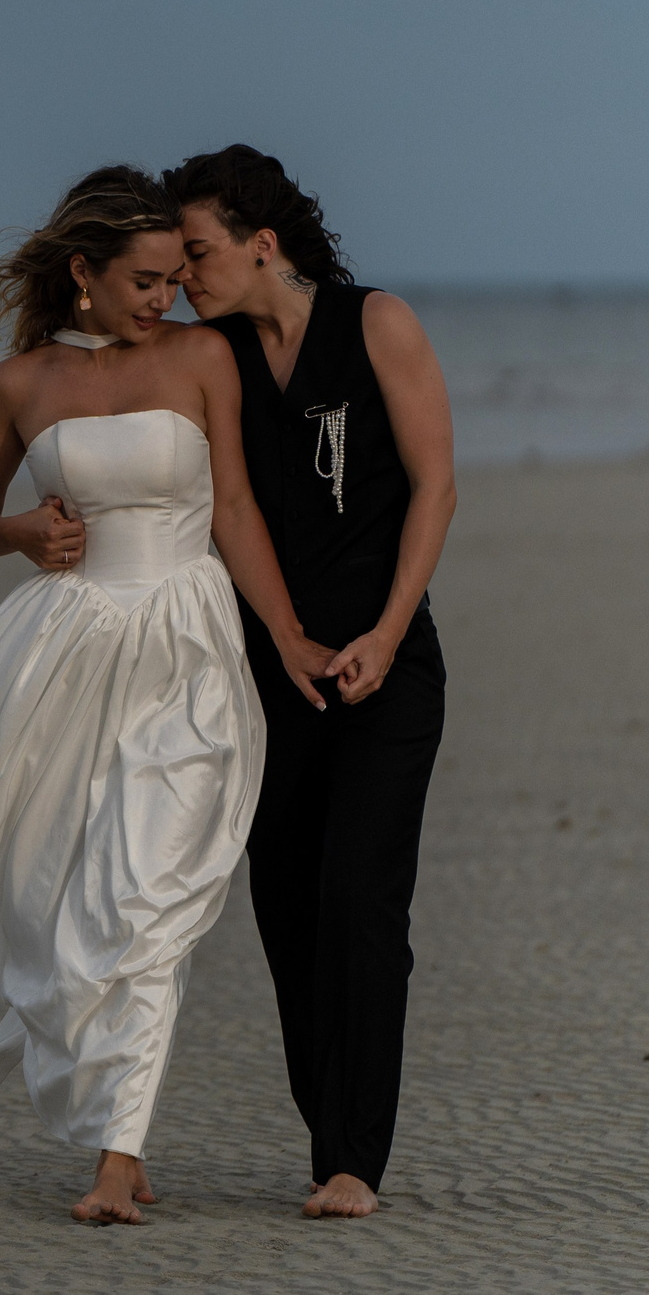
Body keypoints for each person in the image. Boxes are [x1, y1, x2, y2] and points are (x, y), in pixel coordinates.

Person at [0, 166, 333, 1226]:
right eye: (142, 279)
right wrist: (16, 533)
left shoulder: (200, 356)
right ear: (83, 273)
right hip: (67, 646)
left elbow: (231, 504)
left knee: (143, 896)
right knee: (43, 902)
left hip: (186, 641)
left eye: (174, 274)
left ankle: (112, 1157)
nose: (166, 295)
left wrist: (282, 637)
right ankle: (111, 1119)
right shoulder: (17, 384)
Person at [165, 144, 457, 1221]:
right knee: (286, 908)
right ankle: (325, 1134)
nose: (186, 272)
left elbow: (435, 486)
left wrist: (383, 632)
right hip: (266, 674)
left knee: (360, 901)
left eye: (197, 251)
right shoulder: (211, 356)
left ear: (262, 242)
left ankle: (354, 1160)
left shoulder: (376, 323)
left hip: (387, 671)